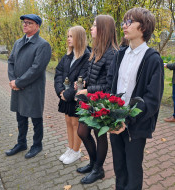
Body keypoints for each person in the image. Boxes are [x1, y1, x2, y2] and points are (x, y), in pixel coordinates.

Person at [106, 7, 164, 190]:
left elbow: (152, 100)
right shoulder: (119, 55)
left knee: (133, 171)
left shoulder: (152, 59)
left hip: (135, 126)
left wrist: (128, 118)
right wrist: (111, 115)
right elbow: (111, 85)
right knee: (119, 169)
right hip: (115, 123)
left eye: (130, 22)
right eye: (124, 21)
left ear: (144, 27)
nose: (124, 25)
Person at [75, 15, 118, 184]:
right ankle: (93, 163)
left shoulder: (112, 53)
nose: (91, 28)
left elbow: (109, 86)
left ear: (103, 29)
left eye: (94, 26)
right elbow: (92, 74)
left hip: (100, 101)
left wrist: (87, 89)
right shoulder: (96, 49)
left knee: (98, 135)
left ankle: (98, 169)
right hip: (90, 100)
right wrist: (83, 81)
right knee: (83, 132)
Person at [6, 14, 51, 159]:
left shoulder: (43, 45)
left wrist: (18, 83)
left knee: (36, 118)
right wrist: (13, 81)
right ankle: (21, 143)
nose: (25, 25)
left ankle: (37, 145)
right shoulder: (18, 43)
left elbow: (36, 69)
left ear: (37, 26)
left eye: (29, 23)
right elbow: (11, 62)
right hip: (18, 87)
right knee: (20, 116)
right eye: (24, 23)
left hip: (32, 89)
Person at [54, 26, 90, 164]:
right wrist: (60, 91)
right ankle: (70, 148)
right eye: (68, 36)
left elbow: (82, 78)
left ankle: (76, 151)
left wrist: (67, 94)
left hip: (76, 96)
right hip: (65, 95)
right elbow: (58, 73)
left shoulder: (86, 57)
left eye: (71, 36)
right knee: (68, 122)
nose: (68, 39)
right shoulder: (68, 56)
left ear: (79, 38)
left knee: (76, 123)